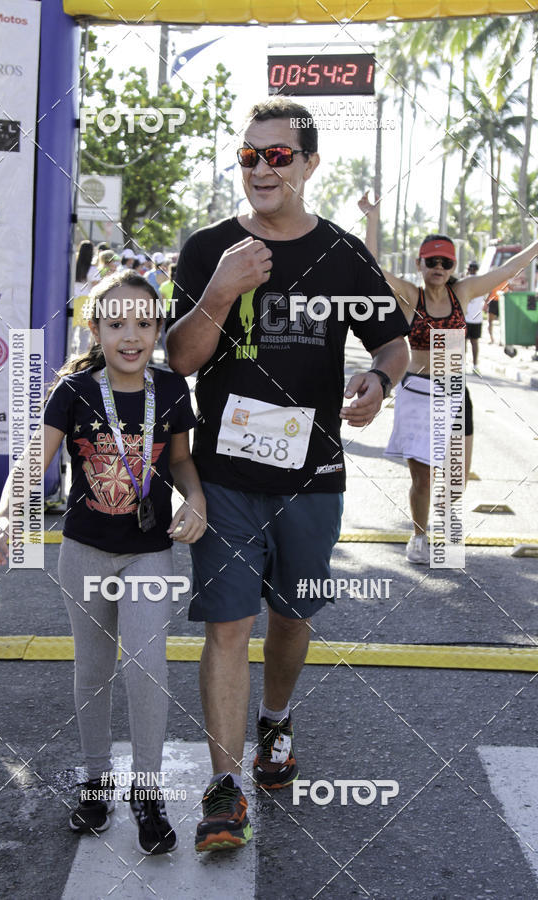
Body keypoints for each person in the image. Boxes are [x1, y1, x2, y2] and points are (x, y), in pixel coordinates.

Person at [167, 98, 411, 853]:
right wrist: (221, 290)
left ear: (308, 165)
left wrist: (378, 379)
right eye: (250, 156)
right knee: (227, 625)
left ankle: (275, 721)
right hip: (225, 475)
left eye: (278, 156)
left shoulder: (341, 253)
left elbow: (394, 342)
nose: (263, 168)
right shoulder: (208, 247)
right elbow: (178, 360)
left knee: (292, 618)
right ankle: (223, 789)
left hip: (314, 476)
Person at [0, 270, 206, 854]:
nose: (130, 335)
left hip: (150, 554)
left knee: (146, 667)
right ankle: (95, 780)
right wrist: (8, 515)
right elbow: (35, 460)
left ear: (157, 327)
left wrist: (196, 496)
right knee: (92, 670)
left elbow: (180, 461)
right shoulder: (75, 391)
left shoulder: (173, 389)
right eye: (116, 323)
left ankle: (148, 794)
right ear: (96, 328)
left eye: (143, 322)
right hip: (83, 552)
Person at [359, 192, 538, 564]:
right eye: (431, 261)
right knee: (423, 479)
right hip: (417, 394)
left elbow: (509, 269)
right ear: (420, 264)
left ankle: (442, 526)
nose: (438, 267)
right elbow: (371, 266)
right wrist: (372, 220)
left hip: (455, 393)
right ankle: (420, 537)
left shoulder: (463, 291)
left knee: (454, 481)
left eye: (445, 261)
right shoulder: (411, 296)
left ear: (452, 264)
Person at [69, 240, 100, 356]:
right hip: (86, 302)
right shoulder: (93, 270)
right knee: (84, 335)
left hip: (72, 301)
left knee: (70, 333)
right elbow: (97, 288)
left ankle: (65, 357)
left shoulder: (73, 266)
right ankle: (80, 361)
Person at [464, 261, 483, 371]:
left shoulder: (464, 281)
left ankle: (463, 365)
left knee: (464, 342)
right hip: (477, 318)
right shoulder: (481, 281)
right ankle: (475, 365)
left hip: (465, 317)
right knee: (474, 342)